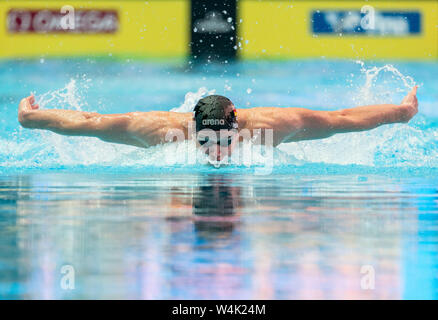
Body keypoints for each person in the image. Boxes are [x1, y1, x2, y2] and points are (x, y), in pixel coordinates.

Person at [18, 86, 418, 163]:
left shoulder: (274, 126)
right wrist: (31, 119)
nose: (216, 151)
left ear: (237, 126)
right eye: (206, 141)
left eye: (223, 139)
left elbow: (341, 119)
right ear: (193, 130)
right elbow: (88, 122)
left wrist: (400, 113)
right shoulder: (156, 132)